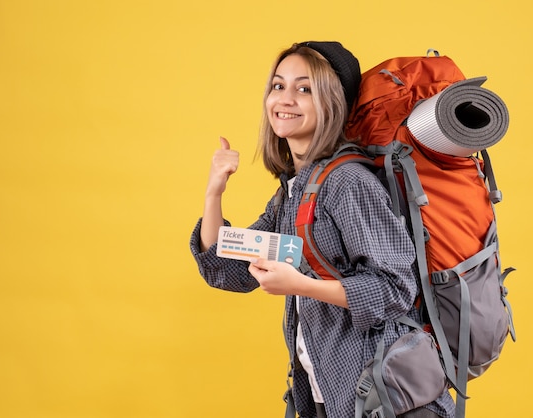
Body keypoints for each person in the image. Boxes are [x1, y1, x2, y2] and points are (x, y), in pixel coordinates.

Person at [189, 41, 455, 418]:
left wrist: (299, 285)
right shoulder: (294, 190)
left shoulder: (348, 182)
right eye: (278, 86)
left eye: (304, 89)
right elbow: (227, 270)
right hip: (329, 396)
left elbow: (395, 289)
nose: (285, 99)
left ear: (331, 103)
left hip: (386, 398)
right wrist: (214, 192)